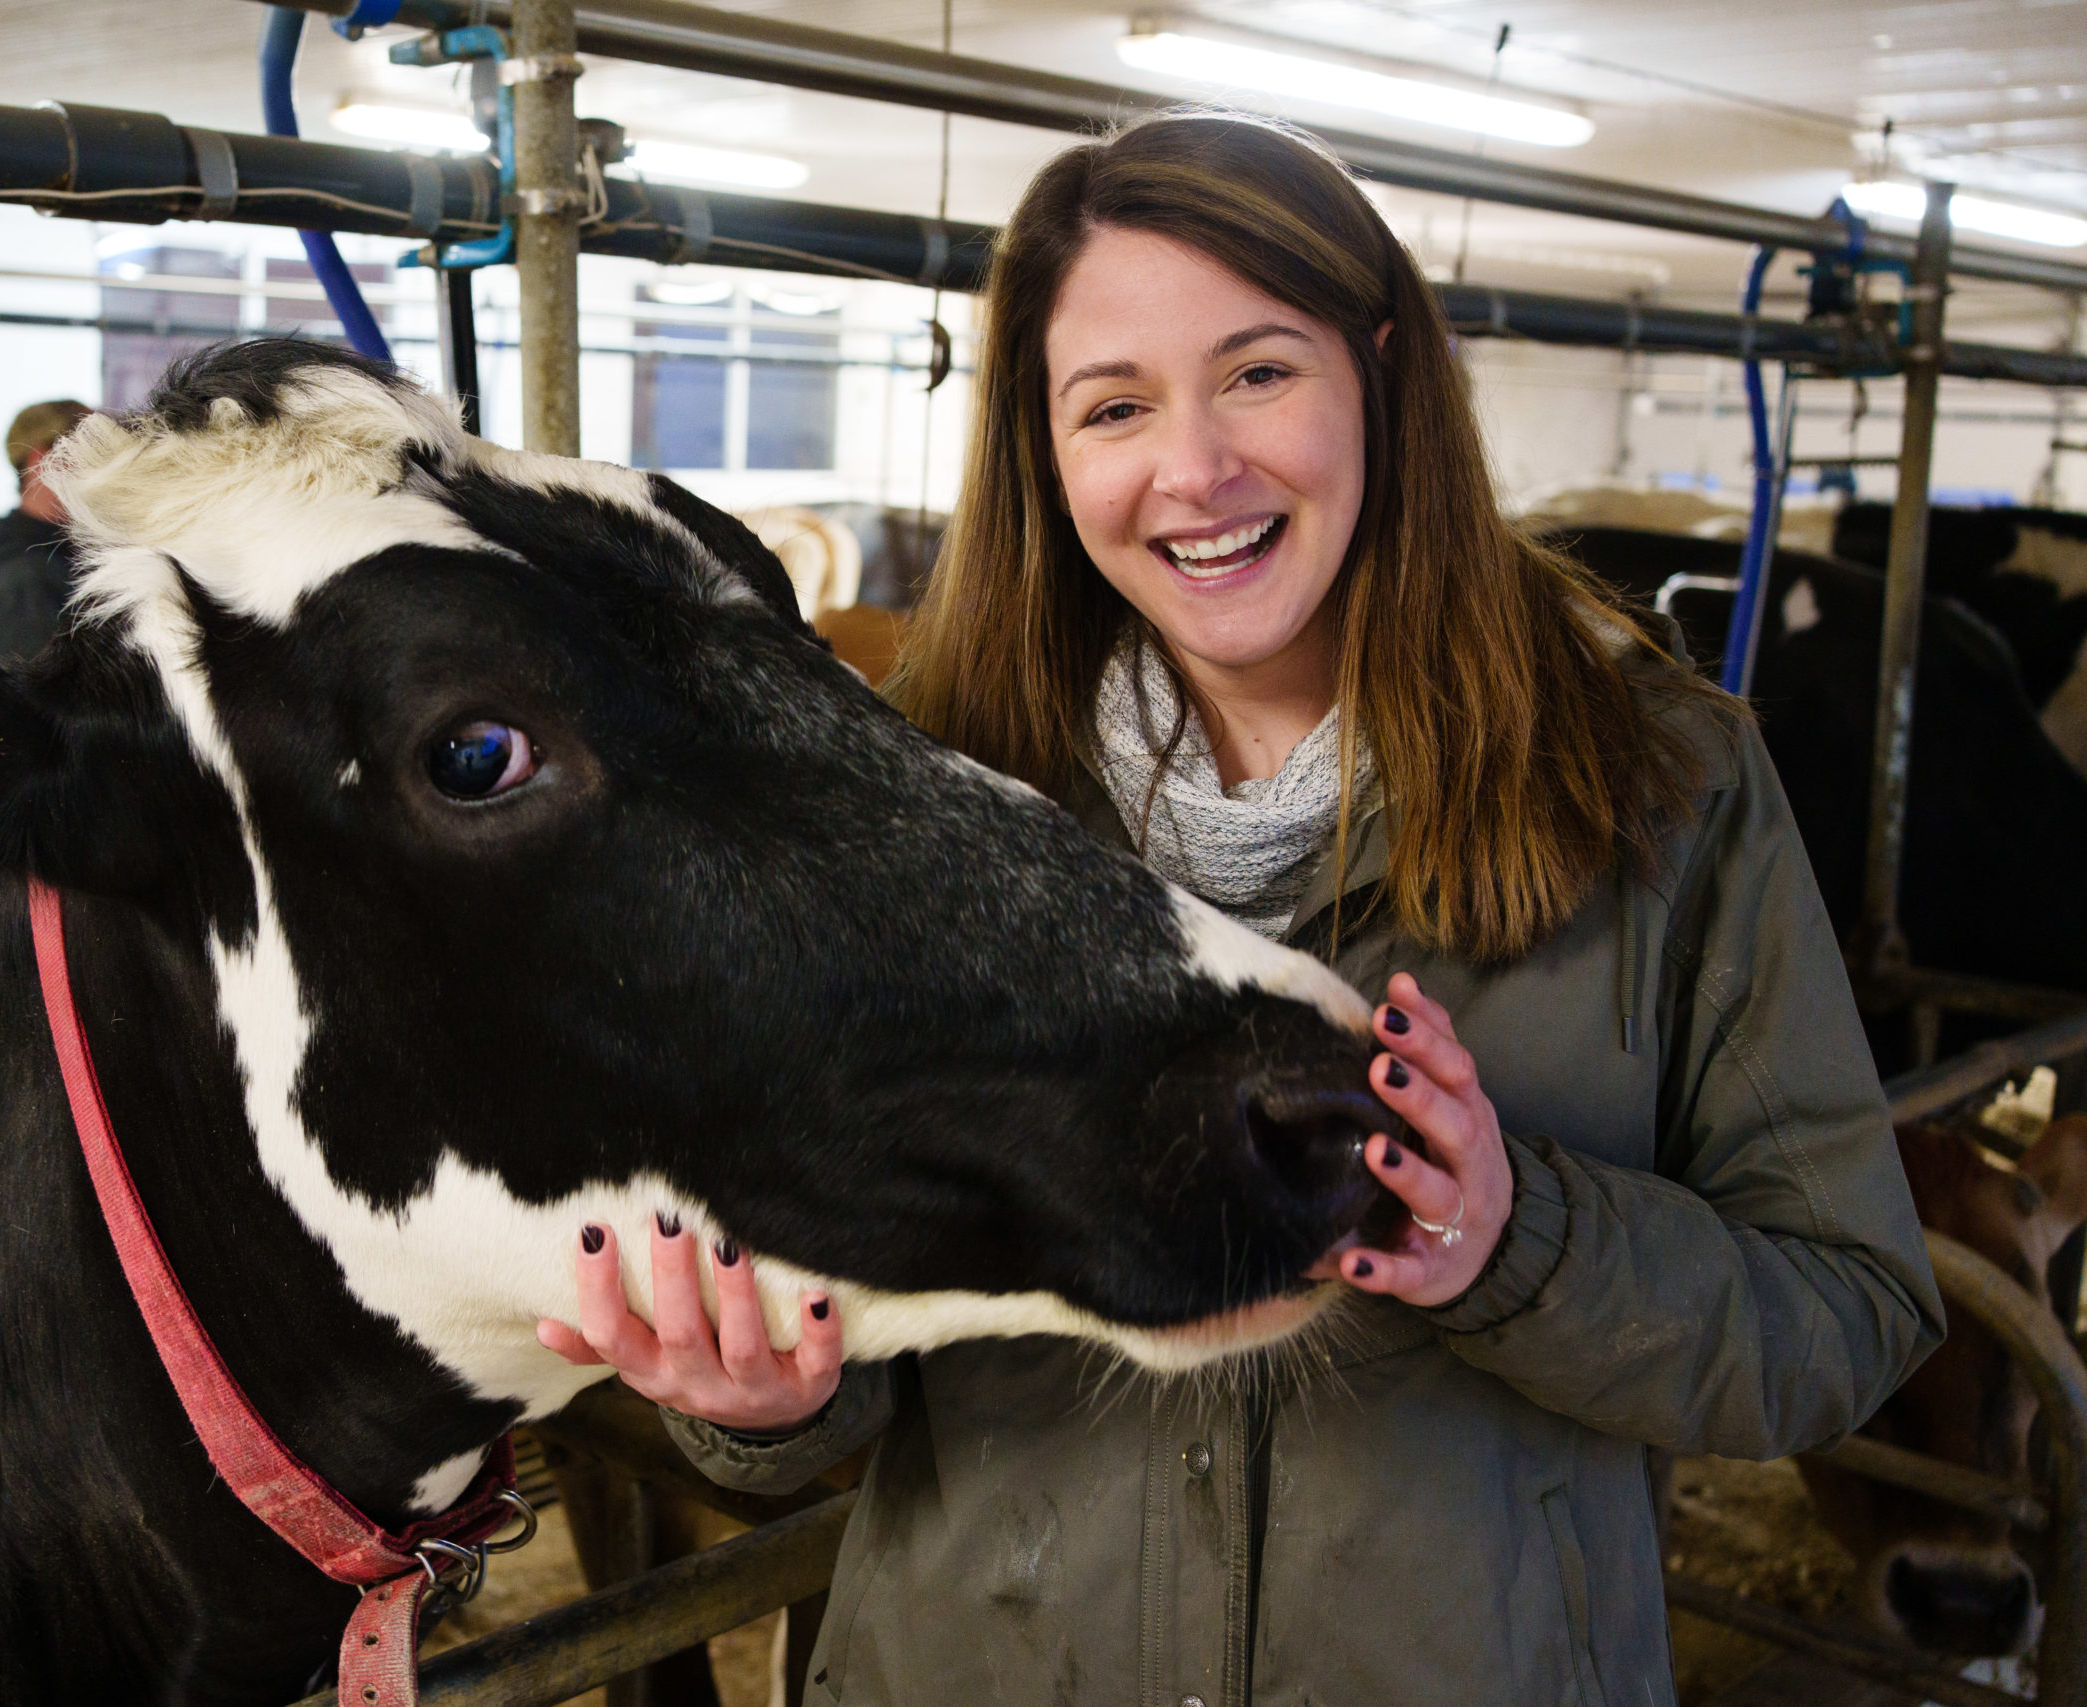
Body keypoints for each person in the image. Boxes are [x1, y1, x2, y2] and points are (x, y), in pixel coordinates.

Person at [536, 115, 1943, 1704]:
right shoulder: (917, 785)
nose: (1194, 469)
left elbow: (1847, 1313)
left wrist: (1516, 1236)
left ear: (1384, 373)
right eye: (1115, 405)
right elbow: (830, 1339)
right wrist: (758, 1395)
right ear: (1044, 450)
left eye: (1260, 372)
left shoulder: (1661, 785)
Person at [0, 399, 92, 662]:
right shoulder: (22, 584)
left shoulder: (50, 558)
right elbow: (36, 699)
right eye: (90, 453)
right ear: (42, 459)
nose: (104, 471)